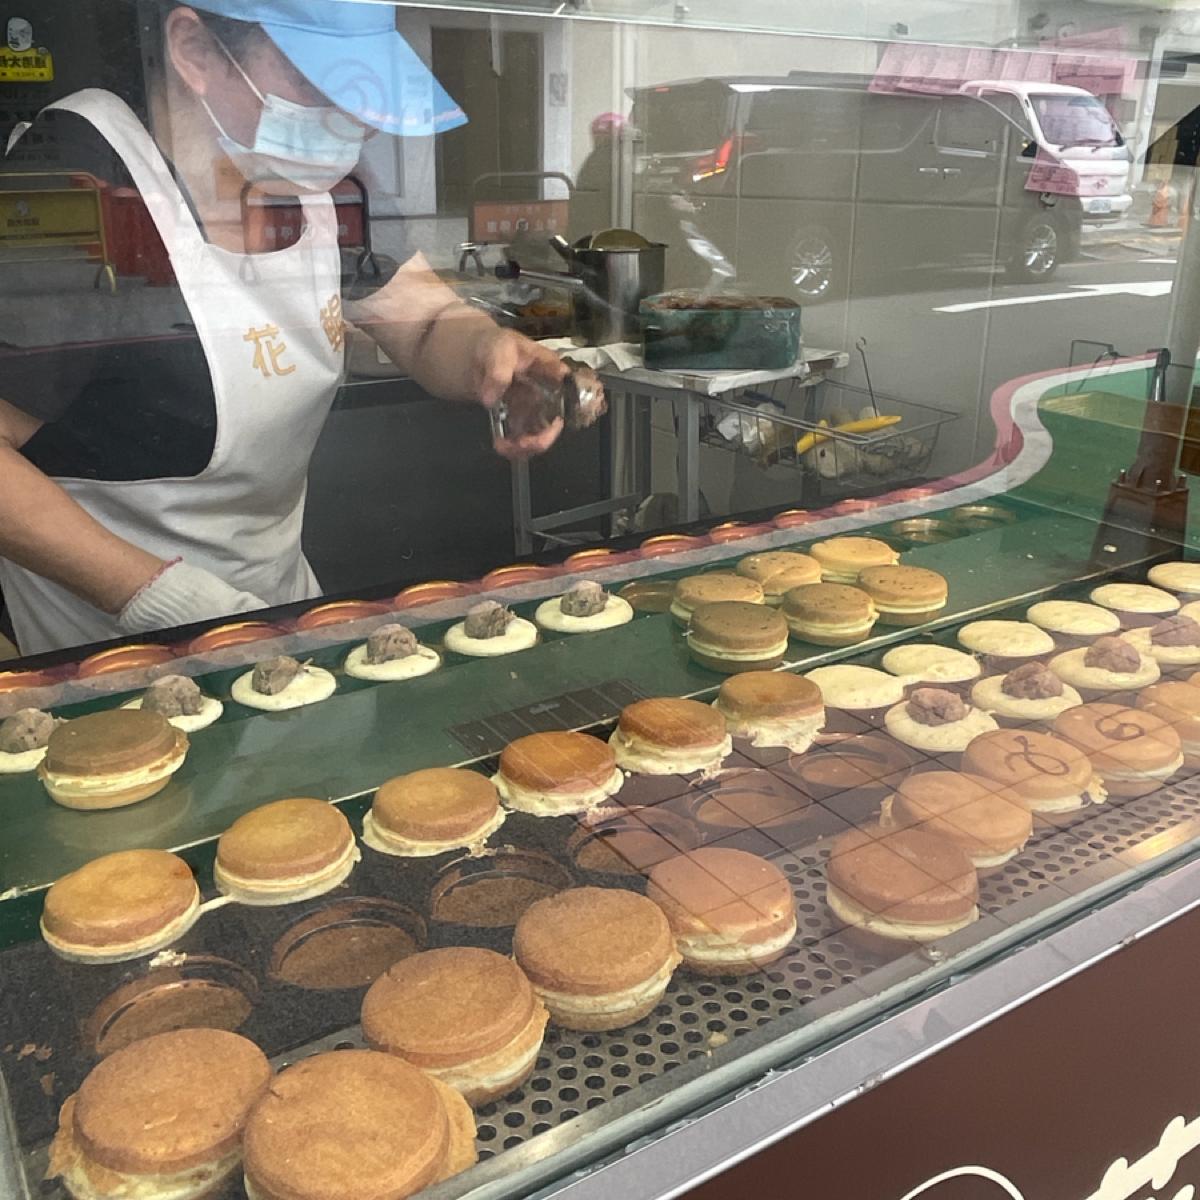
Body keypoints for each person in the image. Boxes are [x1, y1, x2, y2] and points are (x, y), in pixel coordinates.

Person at [0, 0, 576, 656]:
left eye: (364, 90)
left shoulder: (313, 177)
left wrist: (484, 350)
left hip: (277, 606)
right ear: (195, 50)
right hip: (103, 641)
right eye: (317, 80)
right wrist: (157, 598)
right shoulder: (78, 181)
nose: (356, 121)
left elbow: (423, 322)